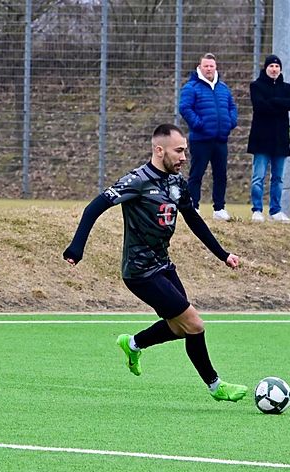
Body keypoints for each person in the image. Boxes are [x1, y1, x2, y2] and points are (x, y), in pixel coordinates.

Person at [63, 123, 248, 402]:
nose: (184, 157)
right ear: (159, 150)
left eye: (185, 151)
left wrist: (223, 254)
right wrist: (77, 248)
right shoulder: (137, 180)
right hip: (139, 272)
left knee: (179, 327)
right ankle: (215, 386)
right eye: (179, 151)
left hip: (163, 266)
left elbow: (194, 219)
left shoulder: (176, 183)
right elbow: (94, 207)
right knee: (195, 324)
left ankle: (133, 344)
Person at [179, 53, 238, 221]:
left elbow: (232, 107)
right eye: (206, 66)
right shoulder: (191, 87)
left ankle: (219, 208)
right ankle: (193, 207)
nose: (209, 69)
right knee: (197, 174)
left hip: (220, 139)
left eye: (211, 66)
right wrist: (199, 125)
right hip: (200, 140)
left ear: (215, 67)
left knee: (221, 174)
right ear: (200, 67)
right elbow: (185, 108)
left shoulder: (223, 88)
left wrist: (230, 123)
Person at [247, 54, 290, 223]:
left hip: (280, 140)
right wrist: (281, 104)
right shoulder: (256, 86)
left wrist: (275, 101)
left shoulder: (286, 87)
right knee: (258, 177)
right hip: (261, 139)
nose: (274, 69)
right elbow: (260, 106)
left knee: (278, 178)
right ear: (266, 68)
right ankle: (257, 209)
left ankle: (275, 210)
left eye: (277, 66)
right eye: (271, 66)